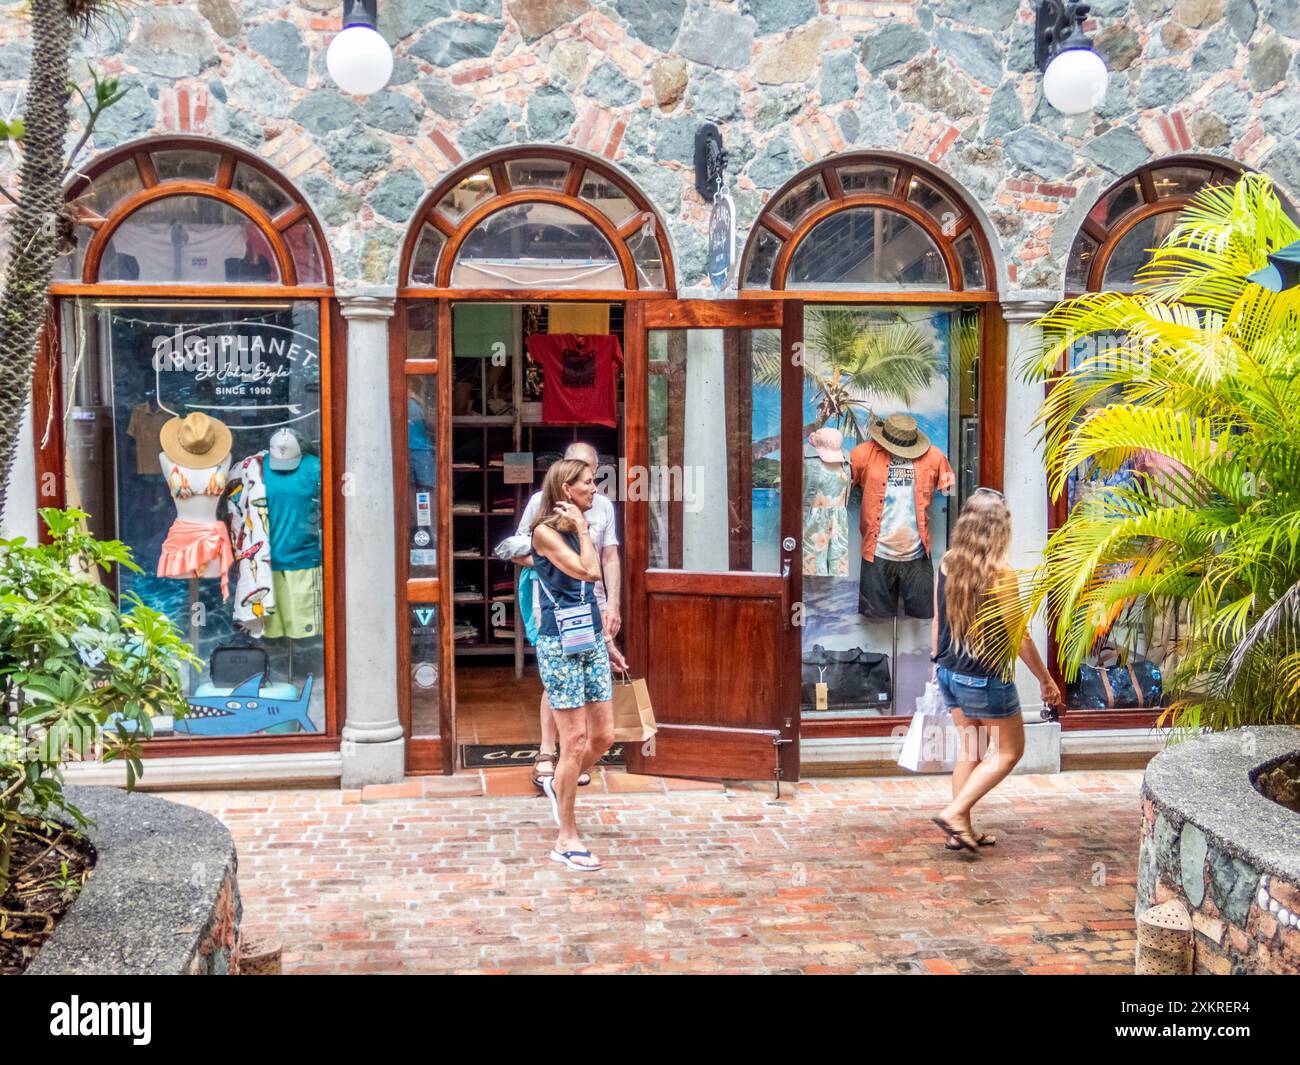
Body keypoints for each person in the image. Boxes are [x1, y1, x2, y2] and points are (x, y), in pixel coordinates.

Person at [930, 488, 1061, 854]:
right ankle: (956, 814)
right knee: (1009, 751)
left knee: (970, 750)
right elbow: (1018, 637)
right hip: (984, 678)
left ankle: (961, 832)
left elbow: (938, 619)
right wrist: (1046, 680)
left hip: (949, 671)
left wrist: (935, 662)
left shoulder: (947, 562)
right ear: (999, 529)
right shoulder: (1000, 575)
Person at [530, 459, 627, 871]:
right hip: (558, 645)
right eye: (589, 483)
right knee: (572, 743)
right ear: (567, 490)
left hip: (588, 639)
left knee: (603, 737)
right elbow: (589, 572)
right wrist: (586, 531)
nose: (596, 489)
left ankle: (559, 783)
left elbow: (591, 595)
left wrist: (607, 642)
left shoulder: (578, 527)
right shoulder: (545, 532)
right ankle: (565, 837)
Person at [514, 442, 622, 790]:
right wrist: (552, 564)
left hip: (591, 604)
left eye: (593, 475)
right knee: (558, 682)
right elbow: (519, 548)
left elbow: (607, 559)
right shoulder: (539, 508)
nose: (593, 485)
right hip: (554, 606)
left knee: (588, 695)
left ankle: (572, 758)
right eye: (585, 478)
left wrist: (613, 605)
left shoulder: (603, 507)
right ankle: (549, 751)